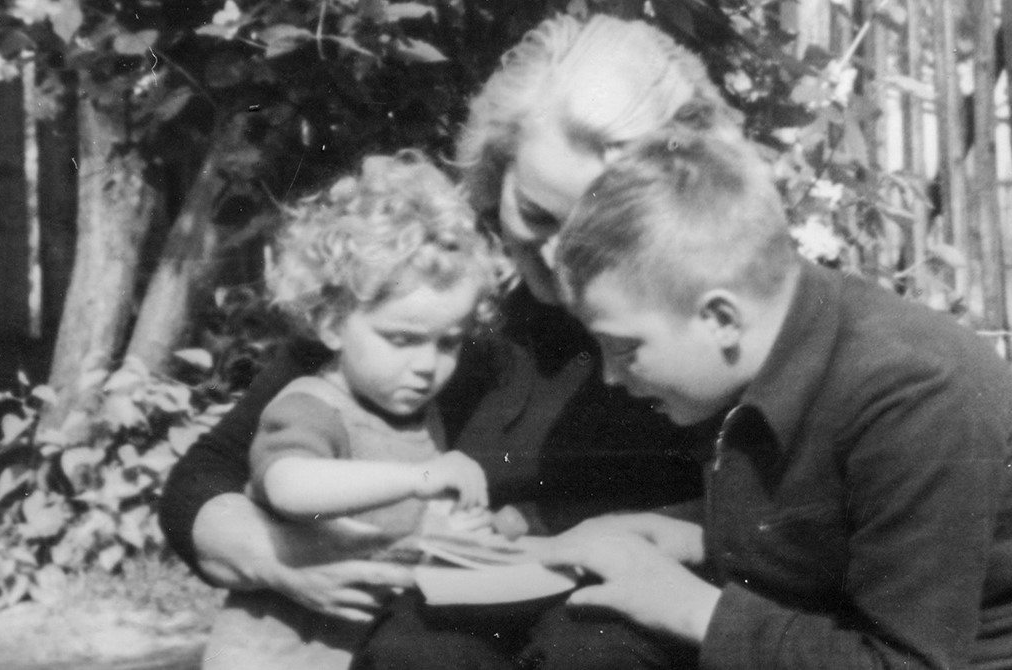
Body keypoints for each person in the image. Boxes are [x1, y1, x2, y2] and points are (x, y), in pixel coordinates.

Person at [159, 13, 721, 670]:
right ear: (497, 169)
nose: (557, 254)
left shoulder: (700, 333)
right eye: (535, 215)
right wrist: (278, 558)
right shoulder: (442, 309)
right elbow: (207, 474)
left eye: (593, 231)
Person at [540, 115, 1012, 669]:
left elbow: (902, 661)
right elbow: (838, 529)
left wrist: (691, 607)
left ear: (721, 319)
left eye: (623, 348)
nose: (610, 377)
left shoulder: (913, 396)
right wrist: (699, 537)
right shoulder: (766, 343)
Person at [203, 152, 512, 670]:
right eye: (401, 339)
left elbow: (401, 529)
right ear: (331, 323)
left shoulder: (418, 417)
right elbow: (289, 486)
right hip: (279, 653)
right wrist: (418, 479)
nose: (426, 366)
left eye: (448, 344)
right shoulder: (314, 405)